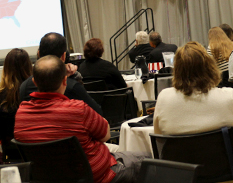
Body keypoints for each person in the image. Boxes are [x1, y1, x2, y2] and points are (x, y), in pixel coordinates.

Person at [153, 42, 233, 183]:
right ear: (209, 67)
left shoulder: (164, 97)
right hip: (224, 172)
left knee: (228, 136)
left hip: (179, 174)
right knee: (230, 136)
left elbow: (159, 135)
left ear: (177, 70)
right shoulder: (228, 95)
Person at [15, 55, 150, 183]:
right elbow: (105, 135)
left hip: (47, 178)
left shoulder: (21, 113)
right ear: (64, 81)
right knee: (147, 159)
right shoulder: (78, 109)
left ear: (34, 81)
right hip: (96, 176)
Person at [19, 33, 102, 115]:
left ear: (38, 53)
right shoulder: (72, 86)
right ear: (63, 56)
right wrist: (73, 77)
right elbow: (97, 114)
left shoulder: (24, 86)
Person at [0, 49, 32, 159]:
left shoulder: (1, 95)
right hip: (37, 150)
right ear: (29, 66)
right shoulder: (37, 92)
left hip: (12, 154)